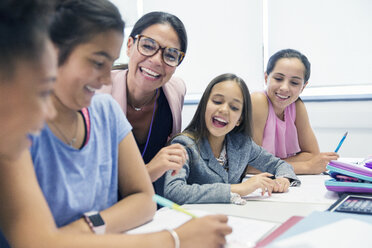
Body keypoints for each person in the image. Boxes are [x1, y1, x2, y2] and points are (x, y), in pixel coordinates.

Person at [0, 1, 231, 247]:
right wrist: (174, 239)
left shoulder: (106, 109)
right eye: (97, 62)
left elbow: (144, 199)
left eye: (110, 63)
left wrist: (82, 229)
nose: (104, 78)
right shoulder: (15, 127)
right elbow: (39, 242)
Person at [163, 73, 300, 205]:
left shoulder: (242, 144)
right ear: (204, 105)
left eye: (234, 107)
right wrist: (238, 189)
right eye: (217, 101)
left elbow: (279, 165)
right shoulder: (183, 145)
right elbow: (174, 191)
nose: (224, 110)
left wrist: (283, 179)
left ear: (239, 119)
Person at [99, 11, 188, 196]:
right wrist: (149, 171)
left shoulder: (175, 90)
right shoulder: (97, 95)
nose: (156, 60)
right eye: (148, 46)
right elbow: (91, 182)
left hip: (153, 206)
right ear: (130, 45)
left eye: (171, 55)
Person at [248, 49, 339, 175]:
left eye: (294, 82)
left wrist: (271, 164)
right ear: (266, 78)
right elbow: (249, 165)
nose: (284, 88)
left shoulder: (296, 105)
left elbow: (312, 154)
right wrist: (306, 167)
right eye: (278, 78)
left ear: (303, 87)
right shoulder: (257, 101)